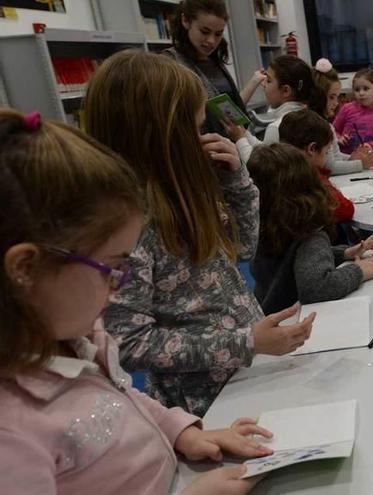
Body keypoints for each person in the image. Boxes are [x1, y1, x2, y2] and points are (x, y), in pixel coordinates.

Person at [0, 108, 273, 495]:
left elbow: (125, 400)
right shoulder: (12, 437)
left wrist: (180, 432)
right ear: (25, 267)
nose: (119, 285)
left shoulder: (79, 338)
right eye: (110, 267)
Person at [84, 50, 315, 417]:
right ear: (159, 137)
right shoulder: (126, 225)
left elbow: (242, 249)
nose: (203, 138)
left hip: (246, 373)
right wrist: (245, 342)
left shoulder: (185, 190)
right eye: (194, 130)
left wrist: (238, 181)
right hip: (205, 405)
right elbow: (127, 343)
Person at [249, 143, 373, 312]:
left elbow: (293, 260)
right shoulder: (310, 233)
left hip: (267, 312)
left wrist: (343, 253)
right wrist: (358, 271)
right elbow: (316, 289)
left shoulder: (264, 225)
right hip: (292, 321)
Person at [164, 0, 266, 136]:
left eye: (218, 34)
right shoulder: (170, 64)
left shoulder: (215, 61)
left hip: (233, 146)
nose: (211, 41)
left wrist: (254, 81)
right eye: (204, 31)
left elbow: (228, 111)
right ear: (185, 21)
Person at [228, 55, 325, 165]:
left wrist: (240, 139)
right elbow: (265, 148)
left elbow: (261, 168)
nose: (263, 84)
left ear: (286, 90)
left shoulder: (277, 127)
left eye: (268, 81)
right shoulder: (307, 117)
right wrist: (244, 134)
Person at [281, 109, 357, 224]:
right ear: (312, 149)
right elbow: (346, 209)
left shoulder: (277, 169)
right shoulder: (308, 177)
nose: (326, 157)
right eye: (326, 152)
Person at [313, 58, 373, 174]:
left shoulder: (327, 125)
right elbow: (330, 166)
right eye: (331, 97)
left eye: (337, 97)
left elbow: (336, 156)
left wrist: (352, 158)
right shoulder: (318, 127)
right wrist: (360, 164)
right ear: (319, 97)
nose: (336, 103)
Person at [333, 68, 373, 155]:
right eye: (357, 90)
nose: (361, 93)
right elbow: (333, 131)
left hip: (371, 158)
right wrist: (339, 138)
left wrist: (371, 145)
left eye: (366, 89)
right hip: (347, 159)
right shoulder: (347, 108)